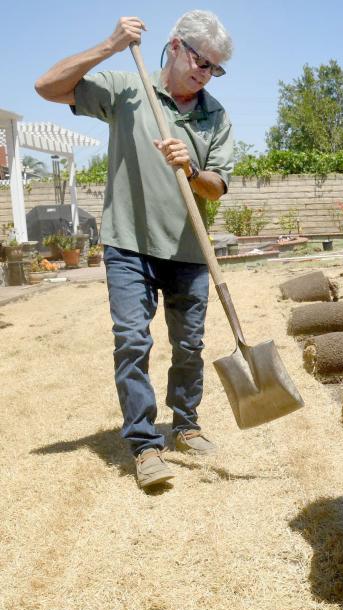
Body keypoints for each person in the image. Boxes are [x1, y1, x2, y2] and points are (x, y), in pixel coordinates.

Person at [35, 13, 235, 490]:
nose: (203, 72)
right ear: (173, 46)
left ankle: (185, 424)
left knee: (189, 345)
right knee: (132, 341)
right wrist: (111, 43)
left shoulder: (216, 116)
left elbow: (216, 189)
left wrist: (190, 169)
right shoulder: (127, 88)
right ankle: (146, 444)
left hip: (189, 249)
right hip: (128, 244)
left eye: (213, 67)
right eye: (198, 59)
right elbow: (47, 86)